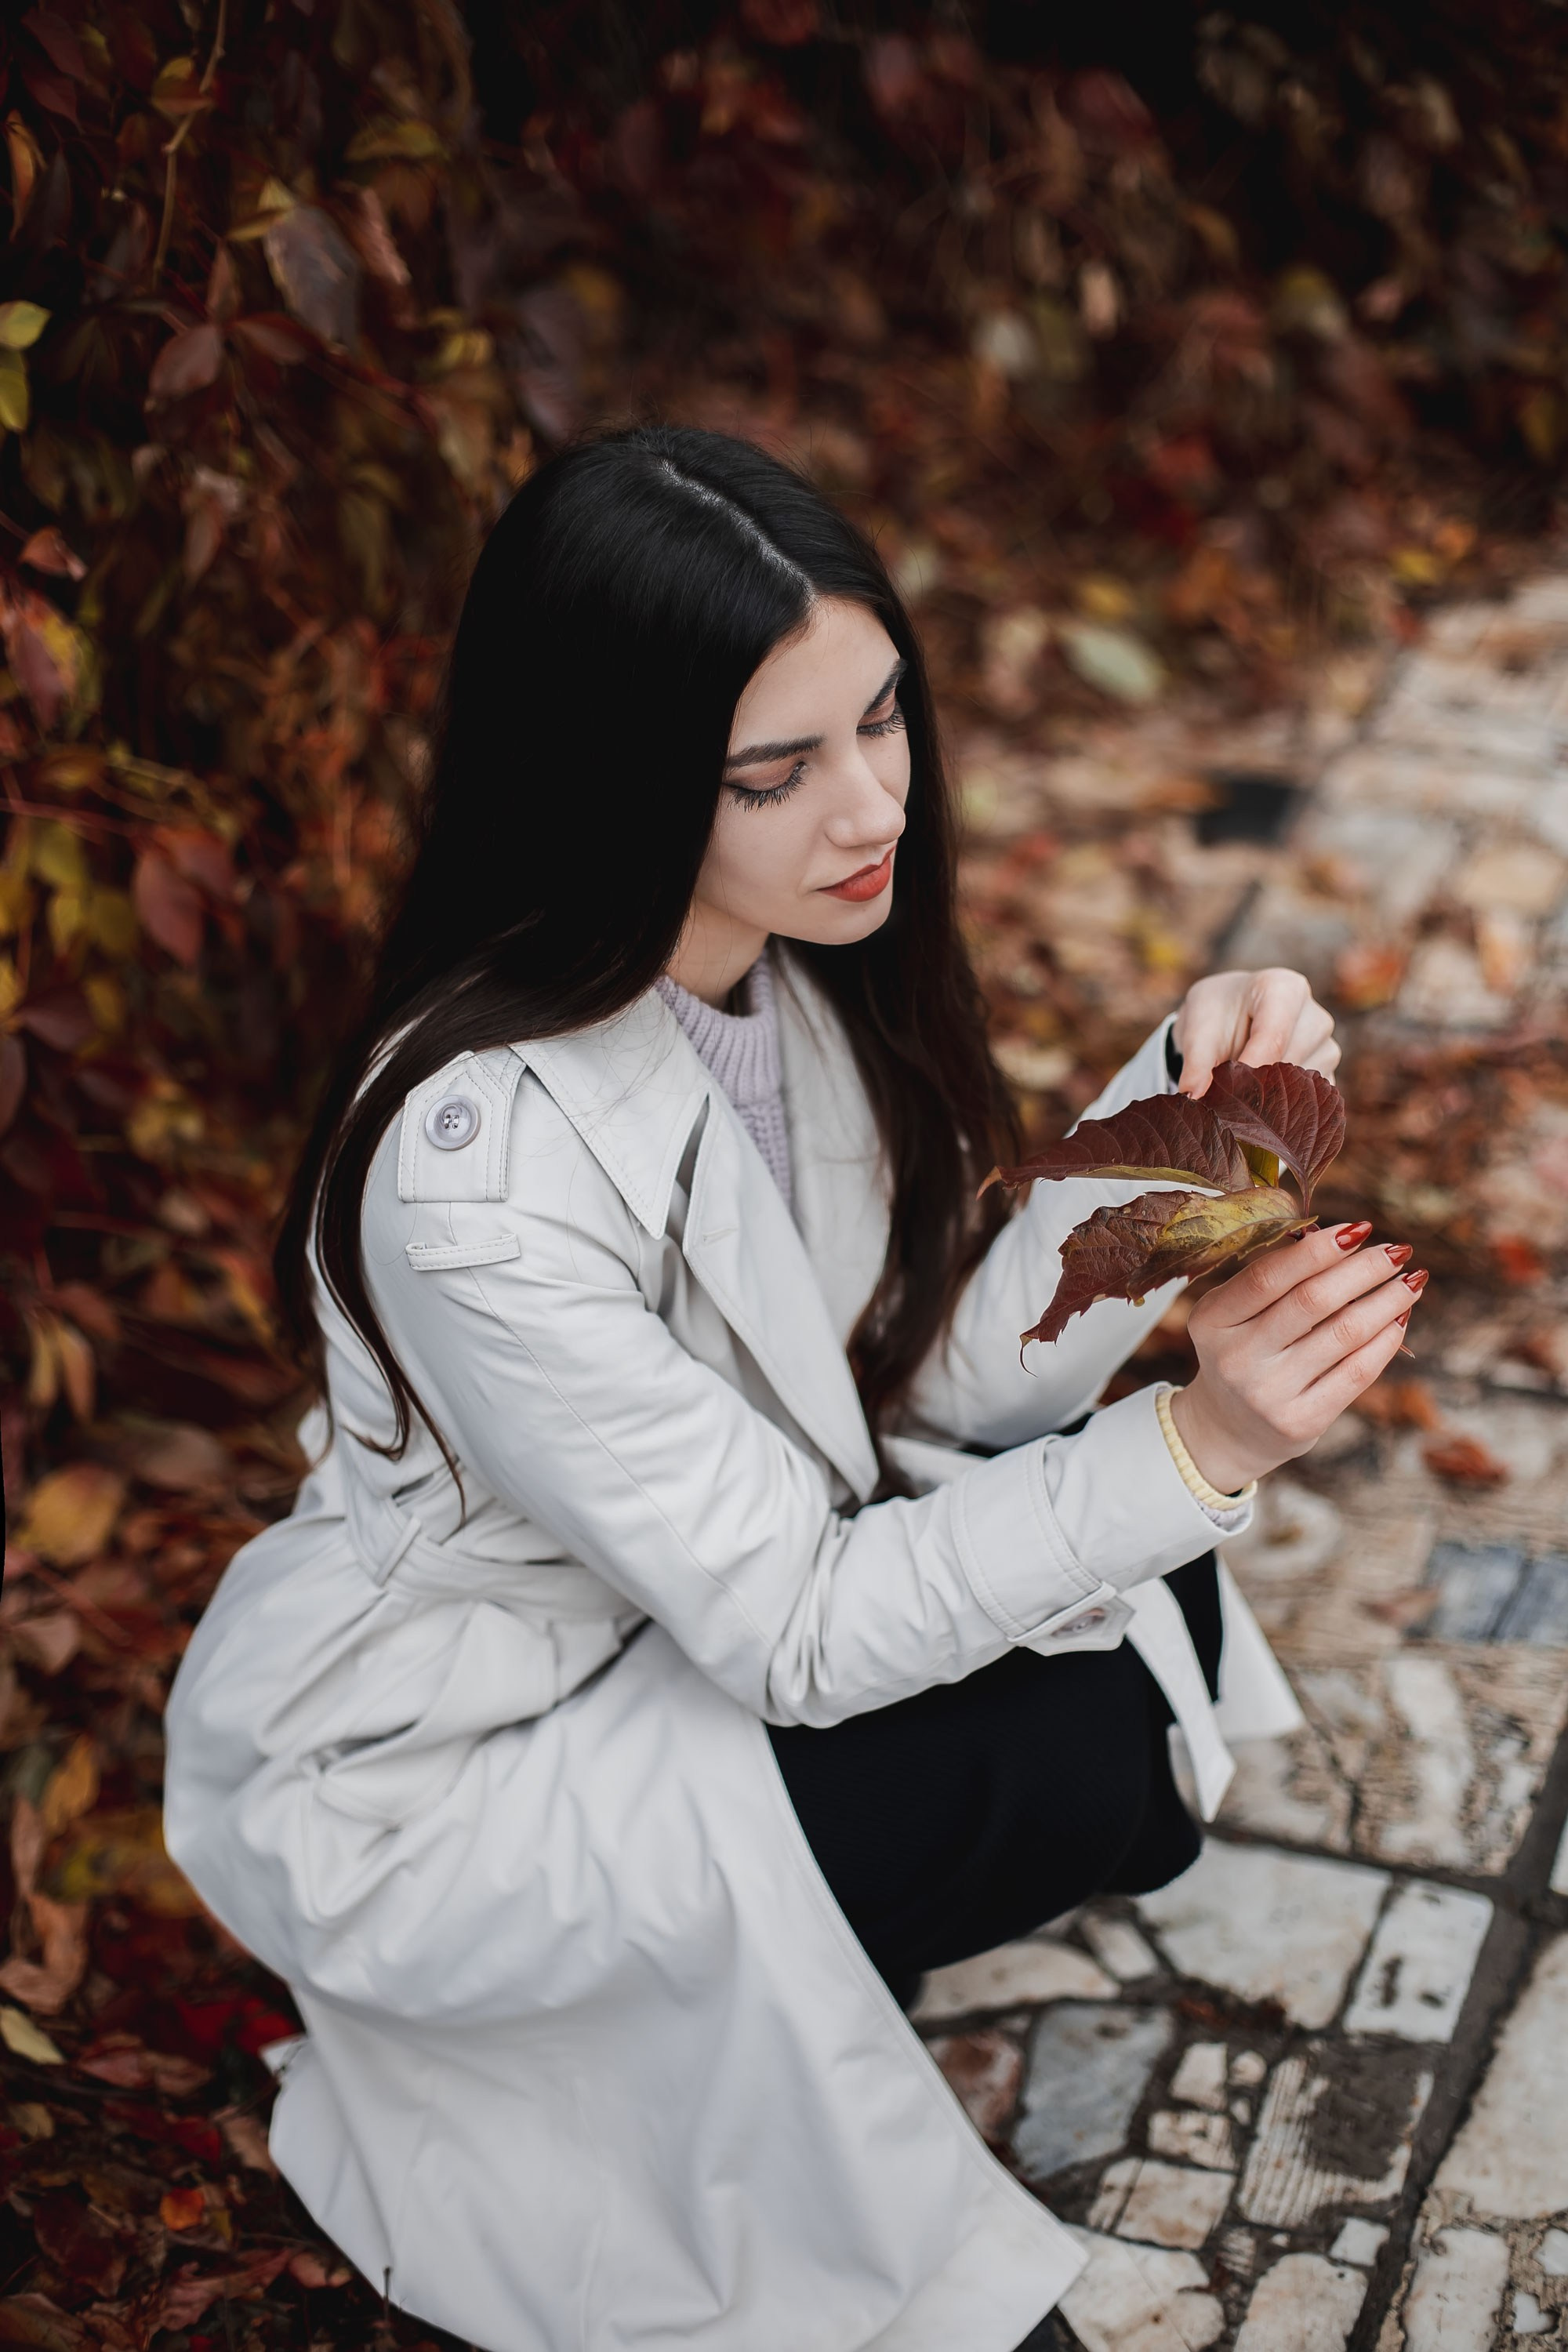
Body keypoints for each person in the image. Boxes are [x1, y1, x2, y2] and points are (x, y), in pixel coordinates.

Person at [163, 426, 1421, 2352]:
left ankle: (793, 1941)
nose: (870, 808)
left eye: (881, 721)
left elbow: (898, 1382)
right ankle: (627, 2021)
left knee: (1131, 1632)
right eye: (777, 769)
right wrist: (1206, 1438)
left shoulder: (775, 964)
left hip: (678, 1621)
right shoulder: (473, 1163)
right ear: (611, 779)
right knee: (1077, 1712)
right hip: (466, 1755)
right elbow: (801, 1635)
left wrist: (1184, 1123)